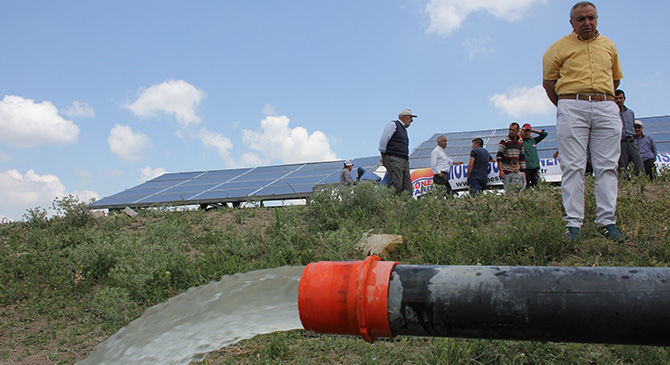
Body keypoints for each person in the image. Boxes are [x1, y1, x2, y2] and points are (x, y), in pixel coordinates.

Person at [542, 1, 625, 243]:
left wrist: (602, 99)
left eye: (591, 18)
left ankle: (607, 222)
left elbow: (615, 79)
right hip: (571, 104)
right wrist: (567, 106)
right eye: (581, 19)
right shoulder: (557, 48)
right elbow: (549, 83)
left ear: (597, 19)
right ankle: (573, 225)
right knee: (573, 166)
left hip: (606, 105)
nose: (587, 23)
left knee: (607, 166)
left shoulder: (609, 45)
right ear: (572, 23)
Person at [379, 108, 416, 195]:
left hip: (403, 159)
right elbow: (383, 142)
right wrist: (383, 157)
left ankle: (404, 205)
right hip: (394, 158)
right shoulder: (393, 125)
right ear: (406, 117)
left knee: (407, 187)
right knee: (396, 184)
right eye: (411, 118)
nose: (412, 120)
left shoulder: (403, 129)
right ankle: (392, 205)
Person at [614, 89, 643, 177]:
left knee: (638, 164)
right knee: (622, 167)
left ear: (624, 98)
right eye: (616, 98)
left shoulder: (630, 112)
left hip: (632, 141)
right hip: (620, 142)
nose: (619, 100)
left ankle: (641, 182)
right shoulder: (613, 113)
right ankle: (625, 185)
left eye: (620, 98)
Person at [521, 123, 548, 188]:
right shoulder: (520, 141)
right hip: (526, 168)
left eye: (528, 131)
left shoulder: (533, 140)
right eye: (525, 131)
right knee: (525, 187)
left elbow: (544, 134)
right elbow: (514, 139)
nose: (527, 133)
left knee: (538, 187)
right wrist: (521, 131)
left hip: (535, 168)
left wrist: (532, 130)